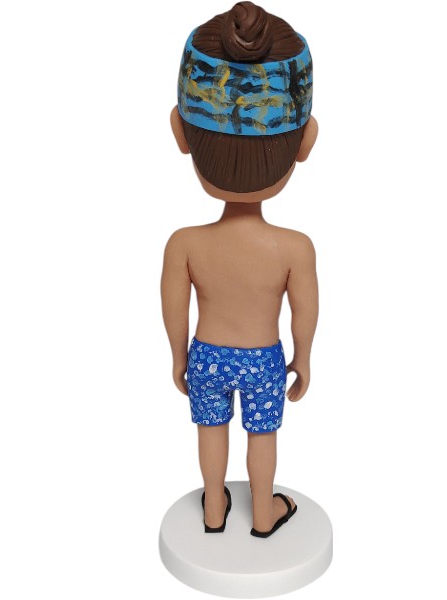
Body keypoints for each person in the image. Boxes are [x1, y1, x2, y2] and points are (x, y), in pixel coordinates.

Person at [161, 1, 318, 538]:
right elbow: (304, 314)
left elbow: (174, 309)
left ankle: (213, 507)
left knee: (209, 429)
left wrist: (178, 358)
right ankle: (264, 513)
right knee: (263, 435)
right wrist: (303, 358)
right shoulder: (294, 248)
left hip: (206, 355)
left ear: (180, 133)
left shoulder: (184, 244)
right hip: (263, 359)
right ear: (305, 141)